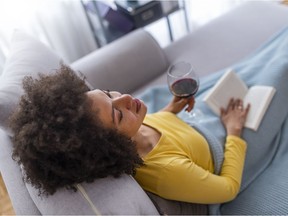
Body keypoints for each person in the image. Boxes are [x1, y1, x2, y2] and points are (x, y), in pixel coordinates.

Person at [10, 63, 249, 204]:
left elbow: (158, 128)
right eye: (119, 114)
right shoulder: (166, 172)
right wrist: (235, 130)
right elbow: (227, 189)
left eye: (107, 93)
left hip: (206, 121)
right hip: (230, 143)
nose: (124, 98)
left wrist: (169, 110)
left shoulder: (133, 129)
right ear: (110, 147)